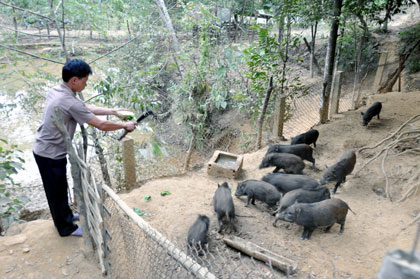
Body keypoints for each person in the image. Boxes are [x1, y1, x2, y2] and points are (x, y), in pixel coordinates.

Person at [33, 59, 137, 237]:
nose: (86, 84)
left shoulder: (58, 91)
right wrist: (123, 126)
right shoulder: (68, 100)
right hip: (50, 153)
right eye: (84, 81)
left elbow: (84, 107)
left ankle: (65, 216)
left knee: (59, 188)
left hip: (47, 148)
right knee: (56, 192)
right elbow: (101, 125)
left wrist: (113, 111)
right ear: (74, 80)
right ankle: (66, 228)